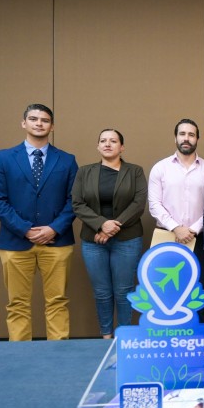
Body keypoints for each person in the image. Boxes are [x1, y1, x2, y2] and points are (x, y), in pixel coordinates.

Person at [0, 103, 78, 341]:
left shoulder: (67, 160)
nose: (39, 123)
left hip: (57, 242)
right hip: (15, 242)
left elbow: (75, 201)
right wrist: (25, 229)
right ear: (23, 123)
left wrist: (54, 228)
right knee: (17, 303)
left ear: (52, 126)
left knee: (57, 301)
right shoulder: (3, 158)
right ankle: (20, 355)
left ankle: (58, 353)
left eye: (45, 120)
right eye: (34, 119)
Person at [72, 129, 146, 338]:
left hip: (127, 239)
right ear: (98, 146)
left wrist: (112, 227)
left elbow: (138, 204)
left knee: (124, 291)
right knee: (102, 292)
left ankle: (124, 336)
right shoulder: (84, 172)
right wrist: (101, 225)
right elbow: (77, 204)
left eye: (113, 141)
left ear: (122, 147)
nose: (107, 144)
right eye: (103, 141)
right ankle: (105, 336)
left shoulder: (135, 171)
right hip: (93, 241)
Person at [149, 119, 204, 323]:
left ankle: (203, 335)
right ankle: (169, 333)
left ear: (197, 139)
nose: (186, 138)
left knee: (201, 290)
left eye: (191, 135)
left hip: (200, 238)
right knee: (168, 290)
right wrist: (176, 227)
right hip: (167, 237)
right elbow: (154, 204)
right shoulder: (160, 168)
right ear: (175, 137)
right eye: (182, 134)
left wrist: (192, 229)